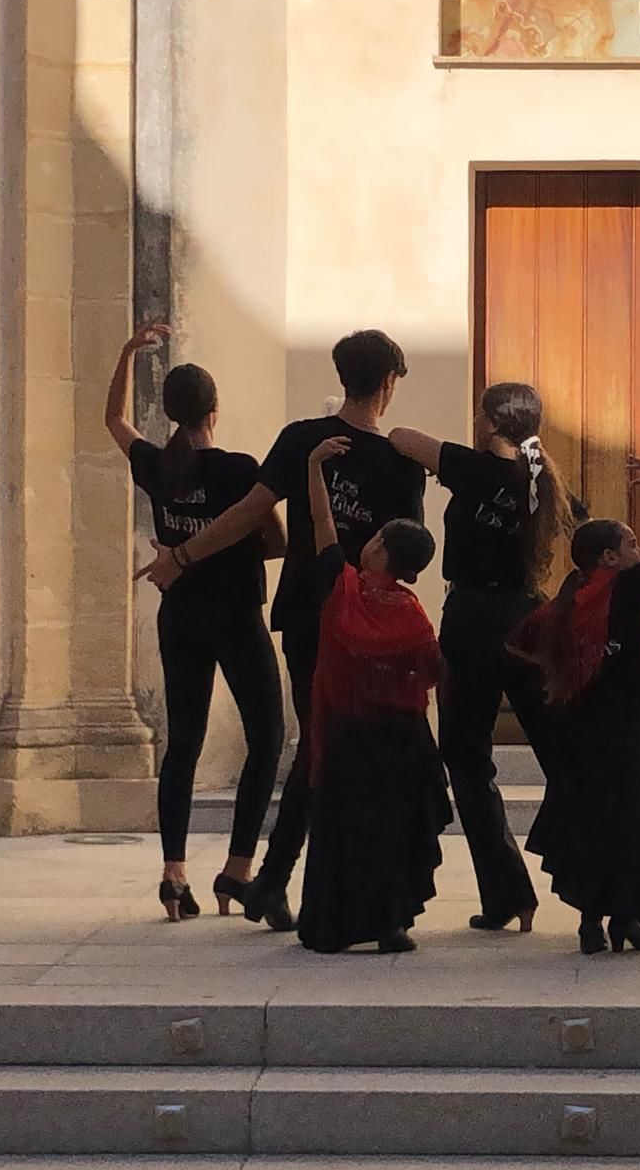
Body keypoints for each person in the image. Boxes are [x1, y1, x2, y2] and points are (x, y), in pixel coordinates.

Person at [137, 330, 427, 930]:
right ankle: (283, 880)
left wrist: (181, 556)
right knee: (332, 749)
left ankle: (272, 879)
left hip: (304, 614)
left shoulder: (302, 439)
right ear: (388, 383)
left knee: (317, 745)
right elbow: (407, 555)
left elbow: (248, 513)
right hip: (363, 625)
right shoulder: (400, 462)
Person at [105, 321, 286, 921]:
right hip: (235, 615)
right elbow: (276, 540)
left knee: (183, 743)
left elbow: (114, 421)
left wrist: (128, 353)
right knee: (266, 738)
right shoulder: (238, 469)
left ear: (170, 413)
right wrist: (224, 545)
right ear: (215, 410)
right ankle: (237, 868)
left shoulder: (158, 466)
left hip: (180, 615)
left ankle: (173, 873)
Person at [387, 383, 575, 934]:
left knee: (467, 757)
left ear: (491, 423)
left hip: (472, 619)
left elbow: (401, 437)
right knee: (562, 754)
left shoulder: (473, 469)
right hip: (528, 618)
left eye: (479, 415)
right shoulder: (541, 480)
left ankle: (507, 892)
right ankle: (599, 879)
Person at [512, 457, 640, 955]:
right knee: (631, 822)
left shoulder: (567, 602)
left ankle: (593, 922)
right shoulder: (627, 588)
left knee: (593, 822)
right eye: (631, 544)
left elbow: (522, 645)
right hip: (628, 730)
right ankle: (625, 919)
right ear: (608, 557)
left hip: (583, 732)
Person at [293, 434, 449, 954]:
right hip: (402, 742)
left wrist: (314, 466)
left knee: (344, 830)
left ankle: (332, 925)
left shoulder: (342, 589)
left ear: (378, 550)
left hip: (346, 735)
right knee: (393, 833)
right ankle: (391, 923)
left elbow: (321, 524)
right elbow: (433, 670)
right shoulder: (413, 615)